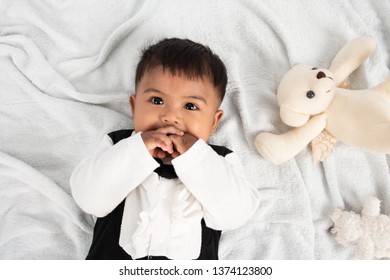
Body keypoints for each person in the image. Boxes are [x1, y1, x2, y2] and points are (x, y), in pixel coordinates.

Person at [70, 38, 260, 260]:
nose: (170, 116)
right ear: (134, 107)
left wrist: (196, 157)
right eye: (157, 100)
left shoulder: (219, 160)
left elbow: (235, 215)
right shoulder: (119, 145)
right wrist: (138, 150)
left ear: (213, 122)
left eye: (190, 106)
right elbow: (89, 198)